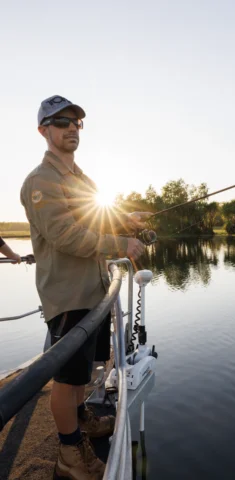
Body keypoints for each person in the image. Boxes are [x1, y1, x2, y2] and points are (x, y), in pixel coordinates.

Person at [21, 95, 152, 480]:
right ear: (44, 130)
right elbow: (64, 234)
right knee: (66, 378)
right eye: (61, 122)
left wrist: (125, 217)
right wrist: (120, 245)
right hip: (68, 296)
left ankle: (81, 421)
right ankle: (69, 453)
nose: (71, 128)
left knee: (84, 373)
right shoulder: (40, 181)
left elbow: (93, 214)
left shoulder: (81, 179)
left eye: (77, 122)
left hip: (93, 292)